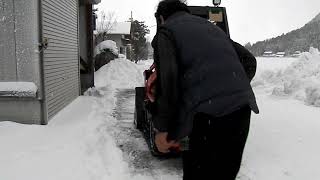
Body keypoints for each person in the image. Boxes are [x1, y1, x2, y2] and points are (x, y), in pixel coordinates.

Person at [151, 0, 259, 179]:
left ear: (162, 18)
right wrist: (231, 86)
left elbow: (168, 80)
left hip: (205, 117)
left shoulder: (167, 31)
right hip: (241, 111)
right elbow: (249, 60)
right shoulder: (213, 29)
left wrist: (163, 129)